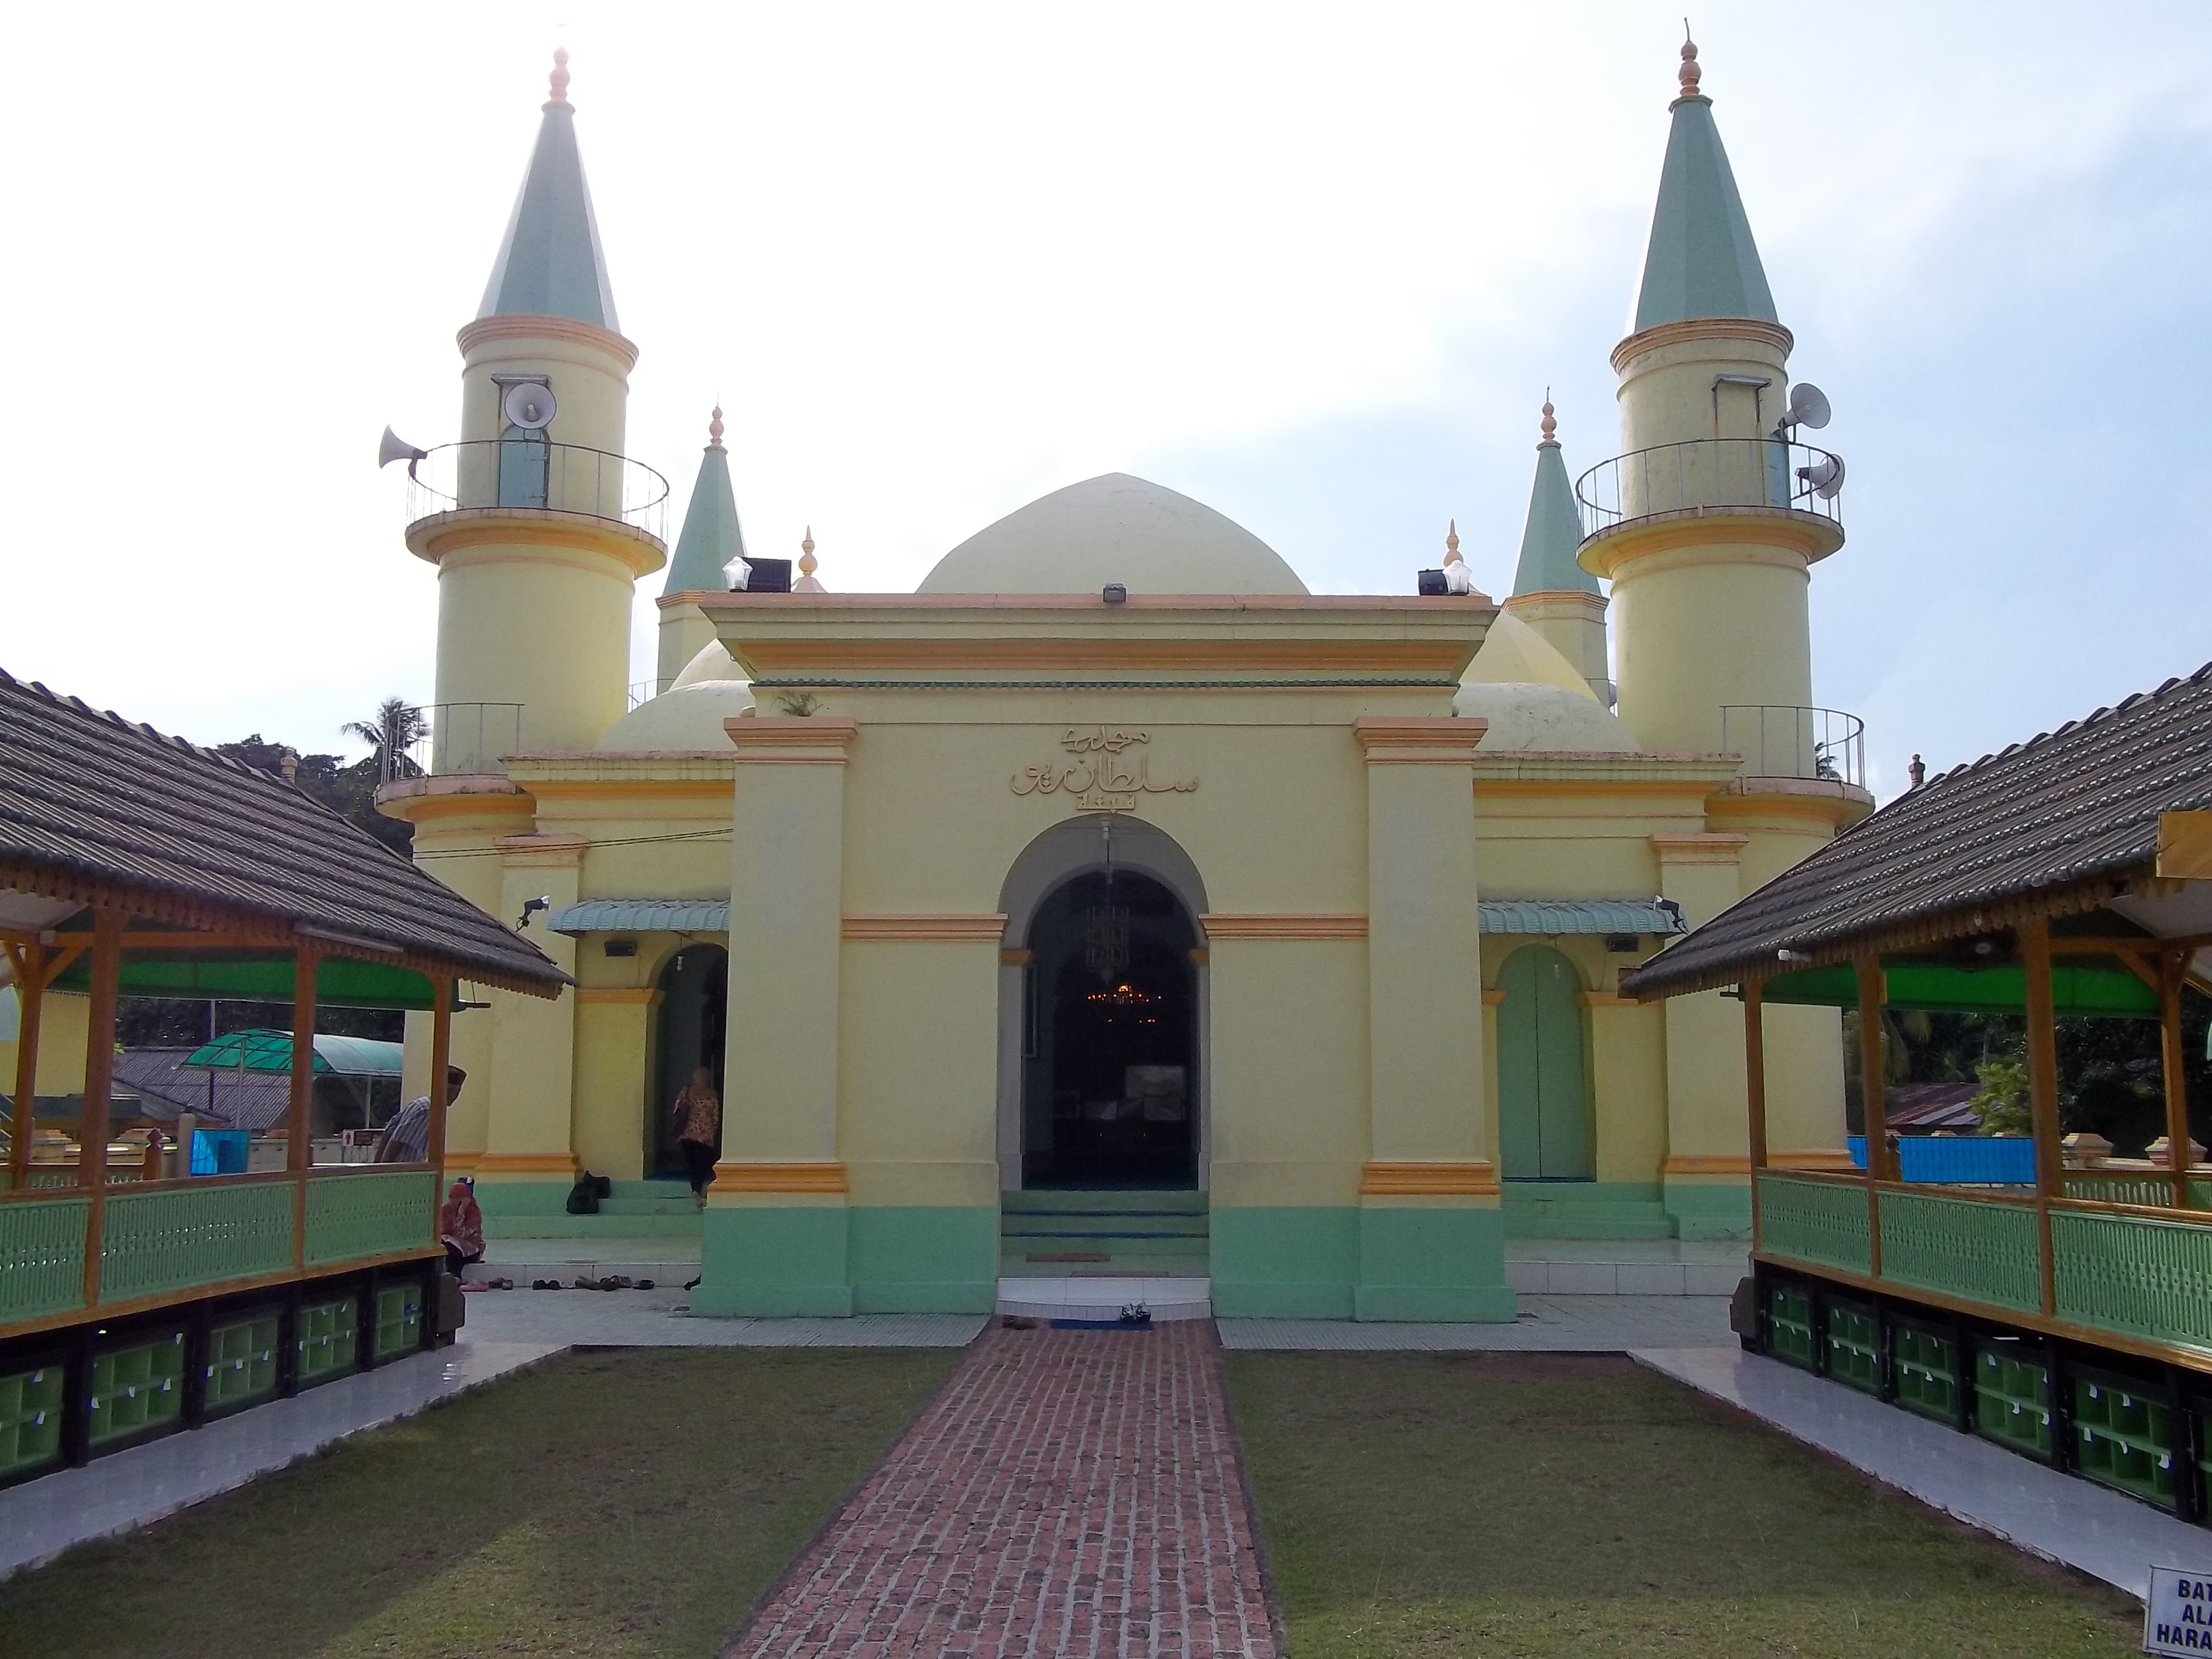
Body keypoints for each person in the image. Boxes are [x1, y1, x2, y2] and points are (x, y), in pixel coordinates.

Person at [376, 1066, 468, 1164]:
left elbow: (390, 1131)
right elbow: (396, 1142)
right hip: (403, 1168)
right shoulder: (428, 1111)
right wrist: (383, 1168)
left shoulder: (420, 1104)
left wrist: (377, 1165)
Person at [671, 1066, 721, 1208]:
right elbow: (715, 1116)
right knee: (700, 1164)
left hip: (687, 1135)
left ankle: (696, 1190)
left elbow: (676, 1110)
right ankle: (697, 1191)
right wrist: (713, 1133)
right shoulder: (712, 1094)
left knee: (693, 1164)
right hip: (704, 1136)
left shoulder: (686, 1091)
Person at [440, 1177, 484, 1276]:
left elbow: (462, 1234)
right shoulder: (445, 1210)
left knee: (451, 1249)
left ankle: (455, 1277)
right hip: (450, 1245)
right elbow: (441, 1230)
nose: (453, 1201)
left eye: (457, 1197)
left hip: (472, 1250)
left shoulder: (474, 1212)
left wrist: (461, 1212)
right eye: (451, 1197)